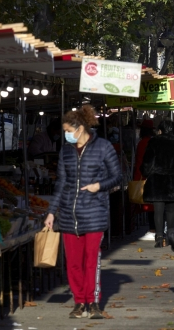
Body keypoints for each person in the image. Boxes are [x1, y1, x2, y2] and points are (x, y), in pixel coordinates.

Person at [44, 105, 121, 320]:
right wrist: (52, 212)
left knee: (91, 261)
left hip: (94, 212)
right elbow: (61, 182)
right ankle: (79, 302)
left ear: (80, 128)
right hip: (69, 214)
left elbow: (117, 176)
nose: (66, 134)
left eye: (69, 130)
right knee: (74, 263)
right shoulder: (66, 150)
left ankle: (93, 301)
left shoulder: (104, 147)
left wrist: (99, 185)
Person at [141, 120, 174, 248]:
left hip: (157, 180)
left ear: (160, 130)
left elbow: (147, 162)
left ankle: (159, 237)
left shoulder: (154, 142)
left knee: (158, 210)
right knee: (171, 211)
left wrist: (146, 173)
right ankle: (171, 237)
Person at [134, 120, 157, 242]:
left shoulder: (142, 143)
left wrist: (137, 177)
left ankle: (153, 229)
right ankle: (156, 228)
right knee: (154, 205)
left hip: (145, 176)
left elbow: (139, 162)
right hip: (155, 176)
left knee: (148, 205)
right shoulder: (154, 142)